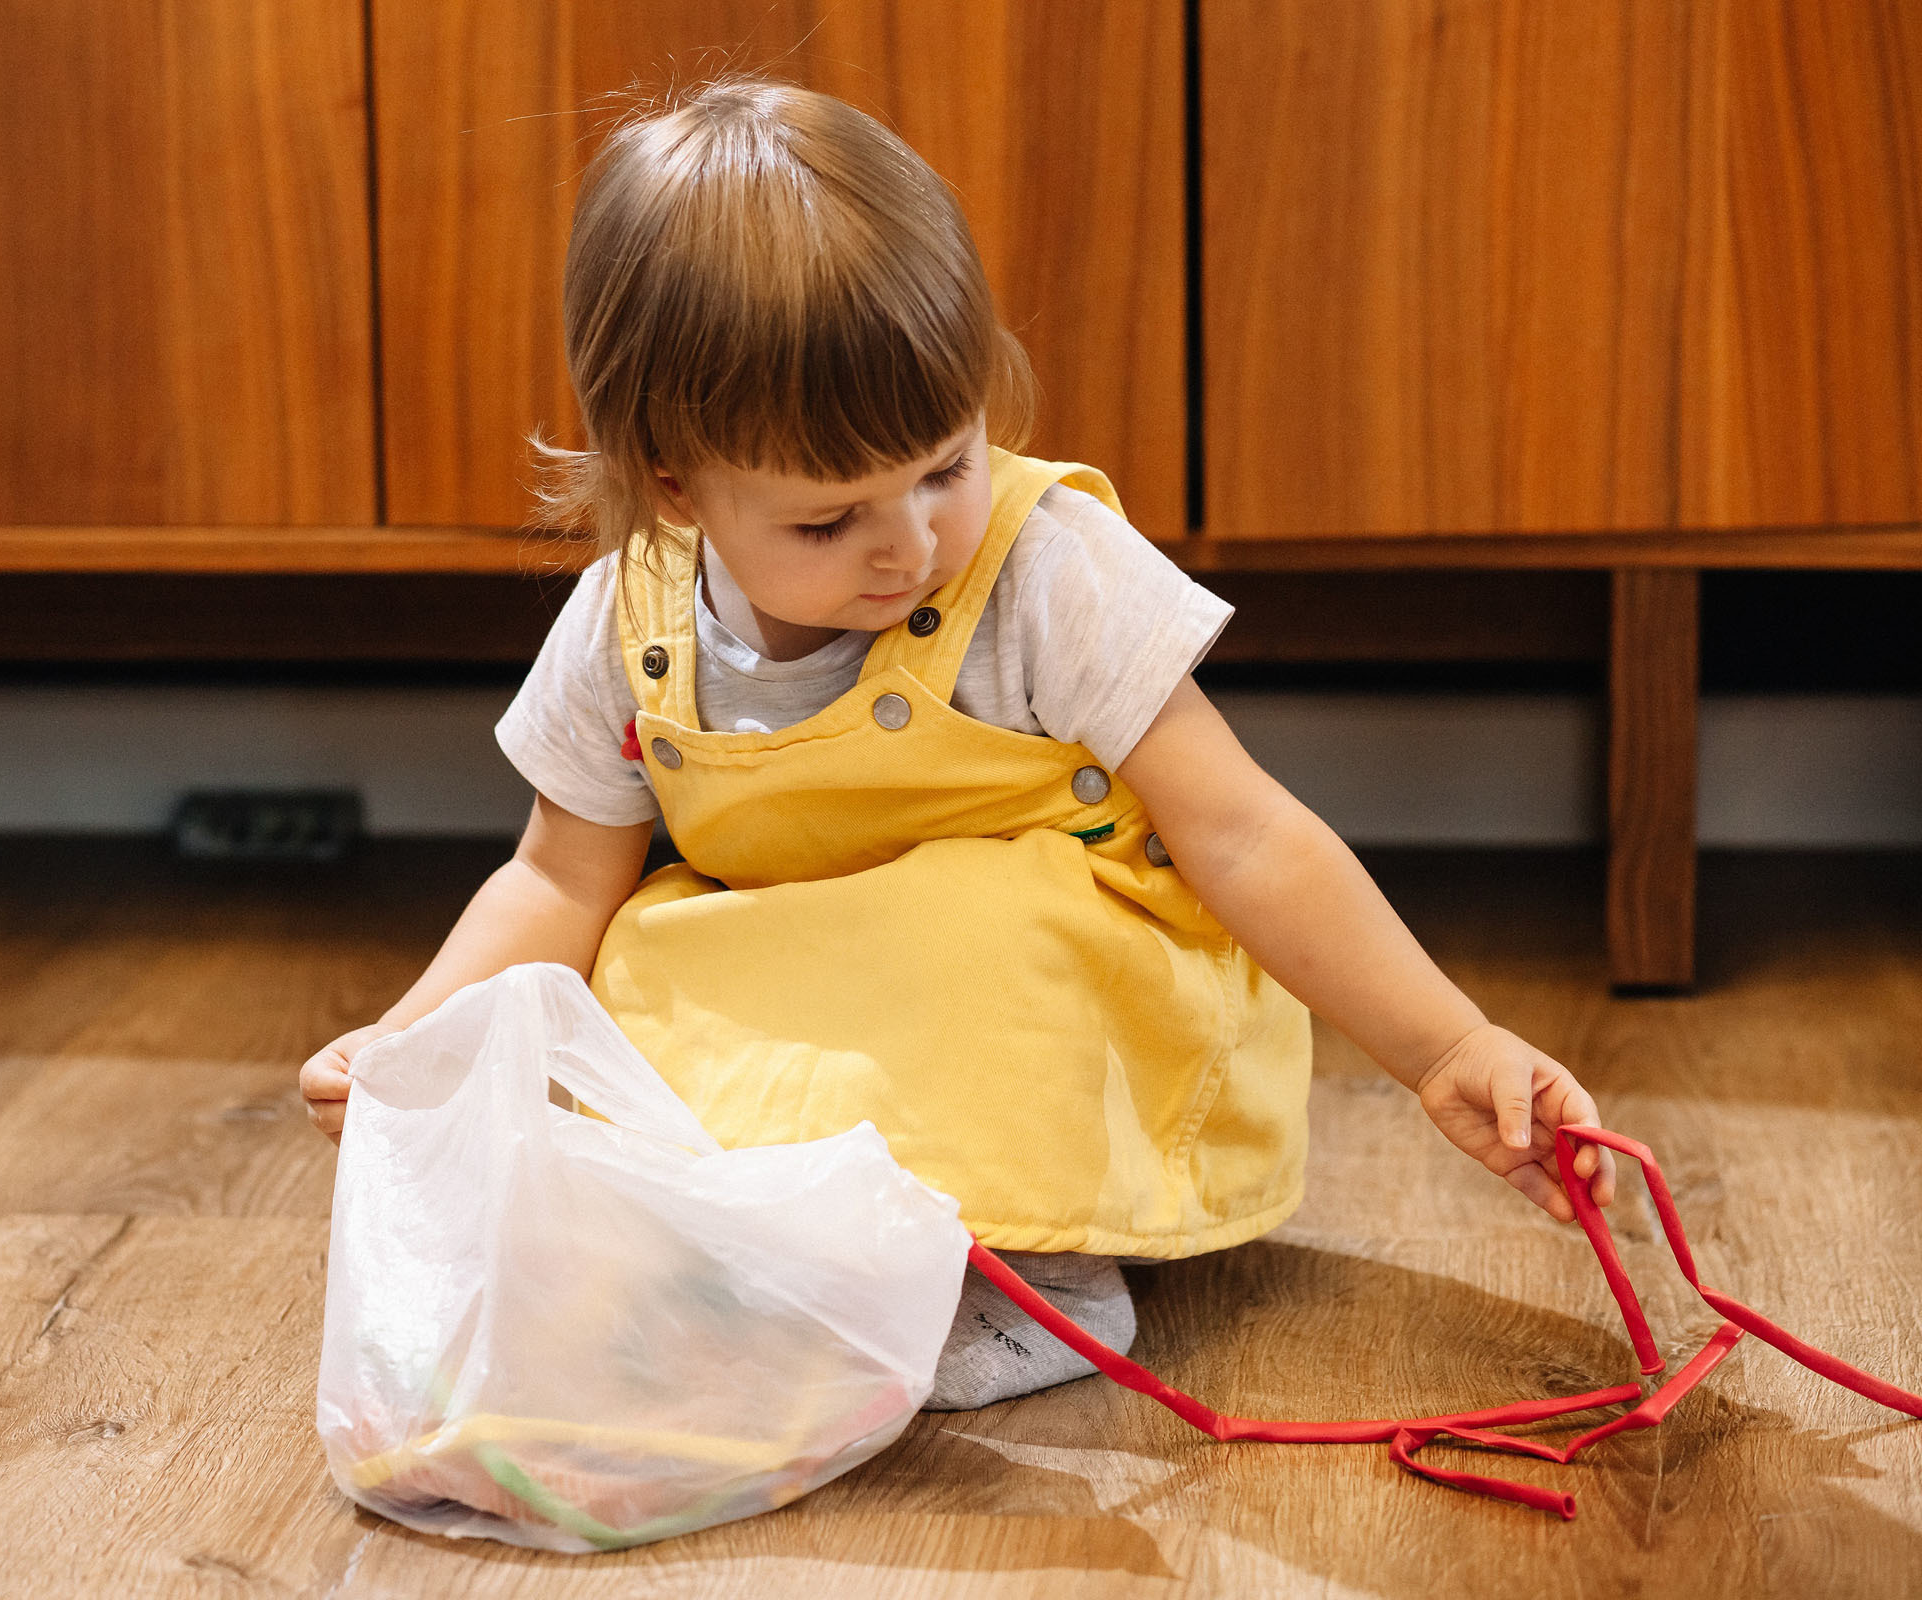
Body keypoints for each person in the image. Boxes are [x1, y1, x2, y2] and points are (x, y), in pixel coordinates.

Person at [301, 76, 1617, 1410]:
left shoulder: (1048, 574)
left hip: (1054, 1008)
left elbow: (1244, 828)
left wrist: (1448, 1048)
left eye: (944, 464)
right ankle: (784, 1255)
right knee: (639, 964)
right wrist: (412, 1044)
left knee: (967, 926)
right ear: (675, 484)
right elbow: (556, 881)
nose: (913, 544)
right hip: (828, 998)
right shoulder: (628, 622)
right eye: (829, 521)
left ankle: (1033, 1277)